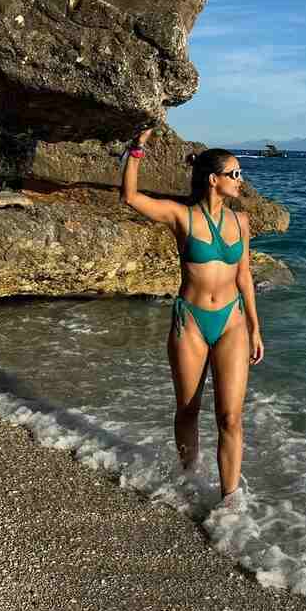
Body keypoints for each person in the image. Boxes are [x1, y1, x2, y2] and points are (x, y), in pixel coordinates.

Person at [119, 128, 264, 509]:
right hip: (192, 323)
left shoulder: (242, 222)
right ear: (214, 179)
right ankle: (188, 477)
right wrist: (137, 150)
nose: (240, 179)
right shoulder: (181, 215)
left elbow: (244, 275)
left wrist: (254, 326)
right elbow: (131, 197)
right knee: (188, 408)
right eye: (235, 173)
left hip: (231, 321)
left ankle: (230, 501)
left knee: (230, 417)